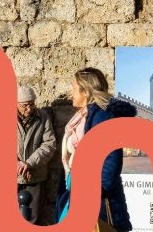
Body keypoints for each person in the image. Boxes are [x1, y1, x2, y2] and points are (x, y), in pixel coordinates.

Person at [55, 67, 136, 231]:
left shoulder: (102, 115)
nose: (71, 92)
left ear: (86, 91)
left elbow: (112, 158)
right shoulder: (85, 115)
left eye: (74, 87)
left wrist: (96, 191)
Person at [16, 84, 57, 223]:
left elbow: (49, 144)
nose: (29, 109)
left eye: (32, 104)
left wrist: (29, 163)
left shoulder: (43, 117)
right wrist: (17, 164)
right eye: (25, 105)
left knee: (33, 218)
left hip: (35, 175)